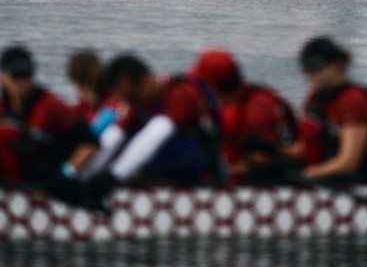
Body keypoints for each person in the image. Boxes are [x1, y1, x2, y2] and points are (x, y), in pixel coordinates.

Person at [84, 54, 223, 208]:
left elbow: (159, 130)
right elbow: (113, 138)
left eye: (134, 97)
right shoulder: (134, 103)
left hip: (199, 183)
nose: (133, 103)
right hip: (160, 176)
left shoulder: (181, 95)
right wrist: (81, 177)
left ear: (146, 79)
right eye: (128, 99)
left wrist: (114, 175)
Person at [286, 37, 367, 182]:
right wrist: (274, 151)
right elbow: (304, 148)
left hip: (358, 180)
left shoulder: (353, 100)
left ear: (335, 66)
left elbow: (348, 163)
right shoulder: (316, 100)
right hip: (326, 173)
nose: (308, 74)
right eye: (305, 69)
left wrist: (306, 174)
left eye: (314, 68)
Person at [191, 48, 298, 183]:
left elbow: (264, 162)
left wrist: (216, 173)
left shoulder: (258, 108)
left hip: (258, 189)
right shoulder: (224, 103)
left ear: (213, 85)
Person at [0, 46, 98, 191]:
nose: (22, 83)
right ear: (4, 77)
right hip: (14, 184)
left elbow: (89, 144)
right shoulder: (2, 109)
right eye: (16, 77)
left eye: (26, 76)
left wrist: (65, 174)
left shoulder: (51, 106)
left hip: (48, 186)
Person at [67, 51, 139, 180]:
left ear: (76, 82)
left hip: (104, 173)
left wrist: (66, 172)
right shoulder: (82, 108)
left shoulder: (114, 108)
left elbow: (99, 144)